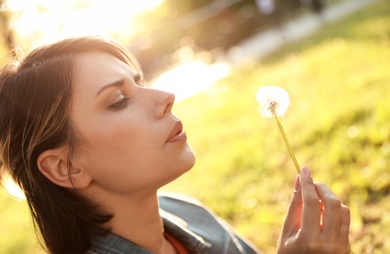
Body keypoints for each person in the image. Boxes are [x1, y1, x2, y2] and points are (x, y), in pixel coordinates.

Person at [0, 36, 351, 254]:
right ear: (66, 167)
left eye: (140, 82)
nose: (166, 97)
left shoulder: (185, 213)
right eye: (118, 100)